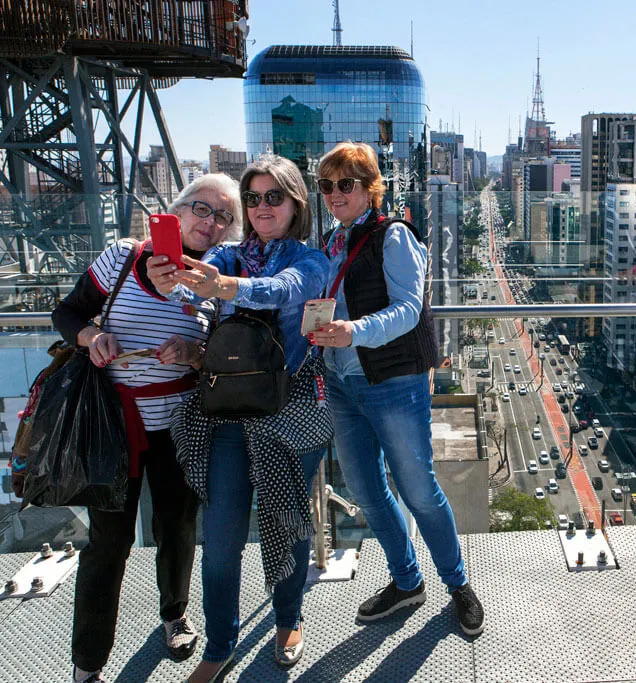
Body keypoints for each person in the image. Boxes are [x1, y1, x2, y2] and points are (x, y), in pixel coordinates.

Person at [41, 174, 241, 683]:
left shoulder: (213, 281)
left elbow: (214, 356)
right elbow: (66, 312)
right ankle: (88, 664)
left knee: (178, 528)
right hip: (113, 424)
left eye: (222, 217)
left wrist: (194, 354)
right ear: (176, 212)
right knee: (108, 543)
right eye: (202, 208)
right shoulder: (123, 258)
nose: (210, 222)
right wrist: (92, 336)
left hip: (179, 425)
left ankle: (174, 616)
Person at [149, 154, 331, 682]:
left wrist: (224, 288)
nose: (261, 207)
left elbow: (284, 290)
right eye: (252, 198)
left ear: (296, 201)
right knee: (223, 533)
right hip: (228, 410)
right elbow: (198, 301)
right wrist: (177, 290)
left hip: (290, 407)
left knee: (288, 521)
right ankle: (220, 642)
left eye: (273, 196)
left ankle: (288, 620)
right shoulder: (227, 256)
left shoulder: (309, 258)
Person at [309, 141, 485, 636]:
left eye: (347, 184)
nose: (336, 193)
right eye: (327, 185)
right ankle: (406, 580)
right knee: (366, 490)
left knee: (418, 489)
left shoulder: (394, 236)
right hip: (341, 382)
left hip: (393, 382)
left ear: (370, 189)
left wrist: (353, 330)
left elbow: (409, 310)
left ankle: (458, 585)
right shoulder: (330, 242)